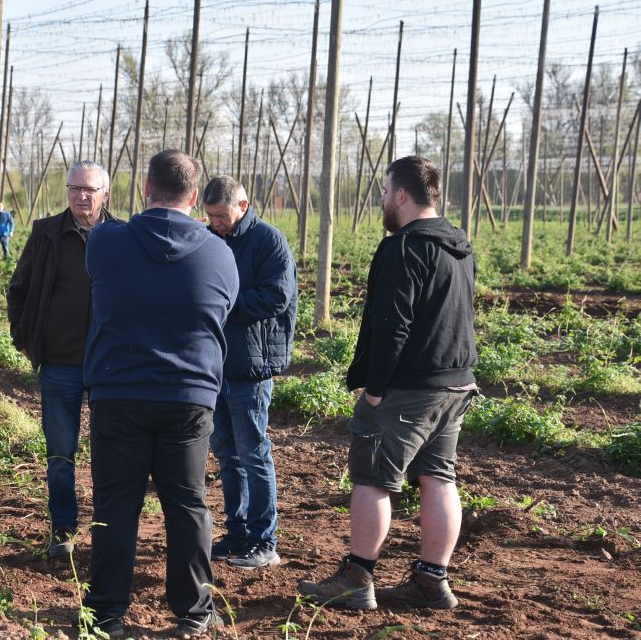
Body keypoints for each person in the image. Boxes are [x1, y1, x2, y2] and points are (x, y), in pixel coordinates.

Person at [299, 155, 477, 611]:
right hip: (455, 383)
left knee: (372, 478)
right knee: (439, 476)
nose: (381, 199)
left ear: (401, 194)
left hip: (408, 386)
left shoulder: (403, 247)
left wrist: (375, 389)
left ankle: (358, 577)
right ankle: (431, 580)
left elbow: (391, 325)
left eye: (384, 190)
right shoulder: (459, 245)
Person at [82, 150, 239, 639]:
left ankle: (106, 612)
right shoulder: (219, 253)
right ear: (195, 198)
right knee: (187, 503)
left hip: (118, 392)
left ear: (145, 189)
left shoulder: (106, 243)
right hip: (188, 398)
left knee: (115, 504)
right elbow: (225, 308)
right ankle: (194, 612)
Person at [7, 160, 116, 559]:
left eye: (89, 190)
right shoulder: (46, 233)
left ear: (105, 193)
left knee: (110, 453)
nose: (81, 196)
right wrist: (25, 340)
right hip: (59, 364)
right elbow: (17, 289)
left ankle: (107, 529)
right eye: (75, 188)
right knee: (59, 454)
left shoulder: (121, 235)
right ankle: (63, 529)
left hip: (109, 366)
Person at [202, 176, 296, 569]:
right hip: (217, 364)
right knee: (226, 454)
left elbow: (277, 295)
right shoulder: (212, 240)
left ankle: (264, 540)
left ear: (242, 205)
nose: (216, 223)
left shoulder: (269, 241)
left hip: (251, 366)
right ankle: (237, 532)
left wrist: (224, 303)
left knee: (254, 453)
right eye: (210, 216)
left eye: (222, 216)